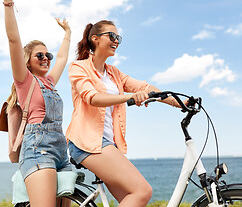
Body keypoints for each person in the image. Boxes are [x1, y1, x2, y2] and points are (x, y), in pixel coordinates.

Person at [66, 20, 184, 207]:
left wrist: (180, 103)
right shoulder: (78, 68)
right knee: (143, 191)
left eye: (118, 38)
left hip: (109, 144)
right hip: (87, 143)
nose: (116, 41)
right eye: (112, 36)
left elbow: (145, 87)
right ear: (95, 39)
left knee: (133, 199)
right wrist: (129, 97)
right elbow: (92, 97)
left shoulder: (113, 73)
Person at [0, 0, 72, 207]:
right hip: (38, 151)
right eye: (40, 55)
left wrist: (67, 33)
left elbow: (62, 59)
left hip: (60, 151)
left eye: (48, 55)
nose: (46, 58)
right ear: (28, 61)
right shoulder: (25, 80)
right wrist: (8, 2)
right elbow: (14, 41)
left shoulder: (49, 82)